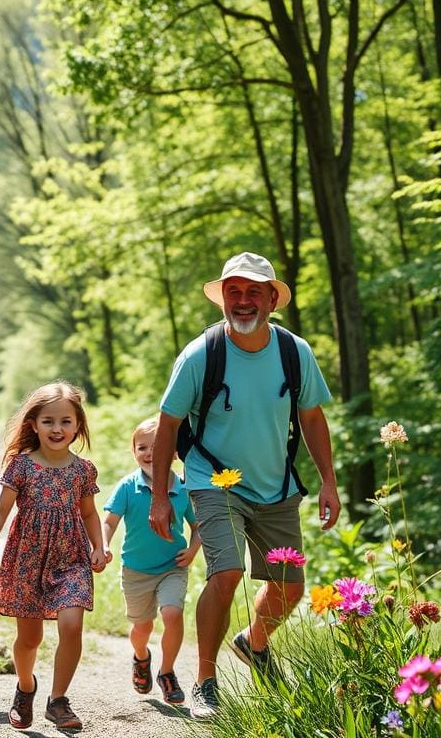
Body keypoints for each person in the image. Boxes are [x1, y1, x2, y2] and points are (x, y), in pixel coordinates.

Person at [149, 251, 341, 719]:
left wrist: (329, 484)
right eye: (233, 291)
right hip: (213, 480)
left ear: (273, 299)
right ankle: (205, 682)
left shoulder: (295, 352)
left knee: (289, 587)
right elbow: (167, 425)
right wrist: (159, 496)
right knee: (227, 570)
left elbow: (312, 419)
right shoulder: (201, 355)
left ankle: (253, 643)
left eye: (254, 291)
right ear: (222, 300)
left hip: (275, 487)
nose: (243, 300)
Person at [0, 381, 108, 732]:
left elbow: (88, 514)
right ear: (34, 424)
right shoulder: (21, 467)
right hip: (27, 560)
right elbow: (1, 509)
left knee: (72, 623)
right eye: (49, 421)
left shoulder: (83, 470)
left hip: (71, 558)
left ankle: (58, 700)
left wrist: (99, 546)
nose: (57, 429)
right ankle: (26, 687)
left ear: (77, 425)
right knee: (29, 640)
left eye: (66, 421)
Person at [102, 416, 200, 706]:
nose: (148, 453)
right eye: (142, 447)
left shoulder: (183, 488)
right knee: (142, 628)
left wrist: (193, 550)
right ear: (134, 452)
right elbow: (109, 522)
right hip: (136, 570)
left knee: (172, 614)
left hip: (173, 566)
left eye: (157, 447)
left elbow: (199, 526)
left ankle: (167, 672)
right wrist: (103, 545)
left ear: (173, 452)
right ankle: (141, 657)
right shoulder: (127, 487)